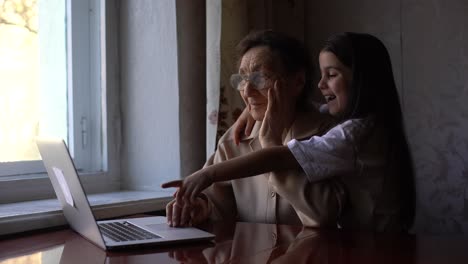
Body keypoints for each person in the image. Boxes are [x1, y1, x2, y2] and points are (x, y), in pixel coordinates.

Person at [164, 32, 416, 232]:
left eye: (260, 78)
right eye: (241, 79)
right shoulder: (236, 136)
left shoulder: (329, 134)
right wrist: (201, 207)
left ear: (297, 82)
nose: (246, 91)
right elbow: (219, 202)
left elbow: (321, 215)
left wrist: (269, 137)